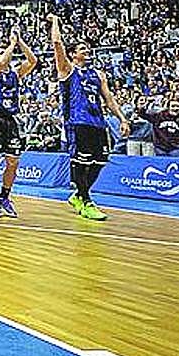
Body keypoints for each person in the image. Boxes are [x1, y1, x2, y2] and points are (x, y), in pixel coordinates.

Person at [49, 14, 130, 221]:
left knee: (100, 161)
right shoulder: (67, 70)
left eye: (87, 47)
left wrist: (122, 118)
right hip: (77, 122)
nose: (87, 50)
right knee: (80, 161)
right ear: (73, 54)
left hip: (98, 123)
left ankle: (79, 195)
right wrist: (56, 21)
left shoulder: (98, 74)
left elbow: (109, 100)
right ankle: (85, 200)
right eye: (82, 48)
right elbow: (57, 43)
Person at [0, 29, 38, 217]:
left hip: (10, 120)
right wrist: (11, 44)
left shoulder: (14, 74)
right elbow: (2, 62)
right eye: (3, 52)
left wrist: (20, 42)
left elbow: (33, 61)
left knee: (13, 161)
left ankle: (4, 196)